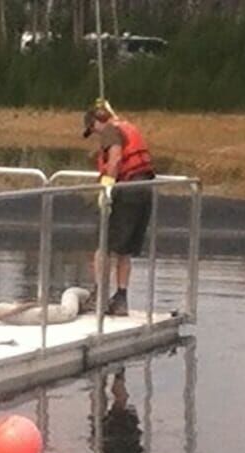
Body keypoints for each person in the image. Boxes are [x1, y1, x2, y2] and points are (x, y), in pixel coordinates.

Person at [81, 99, 156, 317]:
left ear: (96, 122)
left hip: (126, 191)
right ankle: (121, 299)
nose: (96, 134)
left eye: (93, 129)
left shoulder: (110, 131)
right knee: (124, 250)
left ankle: (99, 297)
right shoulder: (126, 126)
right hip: (144, 189)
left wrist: (106, 189)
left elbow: (114, 160)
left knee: (102, 244)